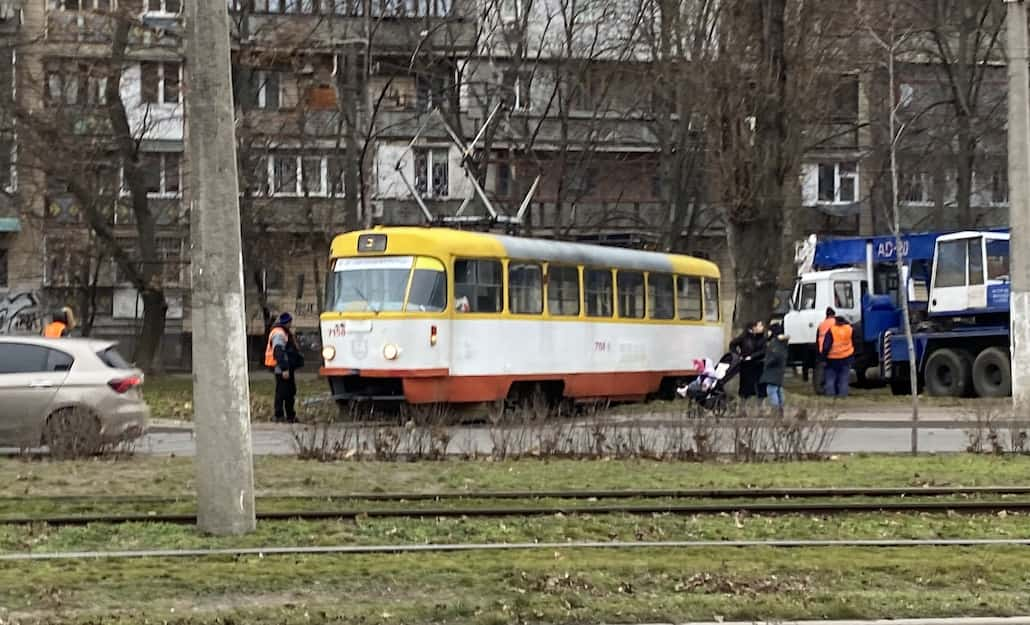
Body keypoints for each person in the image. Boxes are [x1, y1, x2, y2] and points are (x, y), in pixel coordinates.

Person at [265, 312, 304, 423]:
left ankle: (289, 415)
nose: (291, 324)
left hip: (284, 368)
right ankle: (279, 415)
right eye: (290, 322)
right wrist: (284, 369)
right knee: (282, 393)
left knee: (289, 392)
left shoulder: (282, 332)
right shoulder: (279, 334)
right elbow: (279, 352)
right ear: (287, 322)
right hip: (282, 369)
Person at [729, 320, 767, 399]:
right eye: (759, 326)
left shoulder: (762, 337)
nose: (762, 327)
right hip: (746, 366)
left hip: (758, 365)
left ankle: (759, 405)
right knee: (745, 387)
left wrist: (751, 356)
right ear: (754, 327)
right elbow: (732, 344)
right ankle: (744, 404)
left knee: (760, 387)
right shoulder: (744, 336)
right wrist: (738, 355)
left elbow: (763, 350)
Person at [821, 315, 855, 398]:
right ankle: (843, 395)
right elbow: (855, 341)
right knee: (844, 378)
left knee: (830, 378)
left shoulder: (832, 330)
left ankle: (830, 395)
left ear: (835, 321)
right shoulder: (849, 329)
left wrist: (823, 357)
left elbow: (826, 346)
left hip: (832, 359)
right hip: (846, 357)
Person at [760, 324, 789, 416]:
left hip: (773, 370)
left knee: (771, 390)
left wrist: (767, 362)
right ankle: (781, 409)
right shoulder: (783, 343)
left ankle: (776, 411)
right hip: (779, 370)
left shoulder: (774, 343)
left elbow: (775, 356)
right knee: (778, 390)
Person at [813, 307, 836, 395]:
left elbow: (817, 339)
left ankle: (821, 389)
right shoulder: (836, 323)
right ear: (833, 314)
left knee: (822, 372)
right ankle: (833, 390)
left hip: (823, 351)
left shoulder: (821, 324)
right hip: (835, 350)